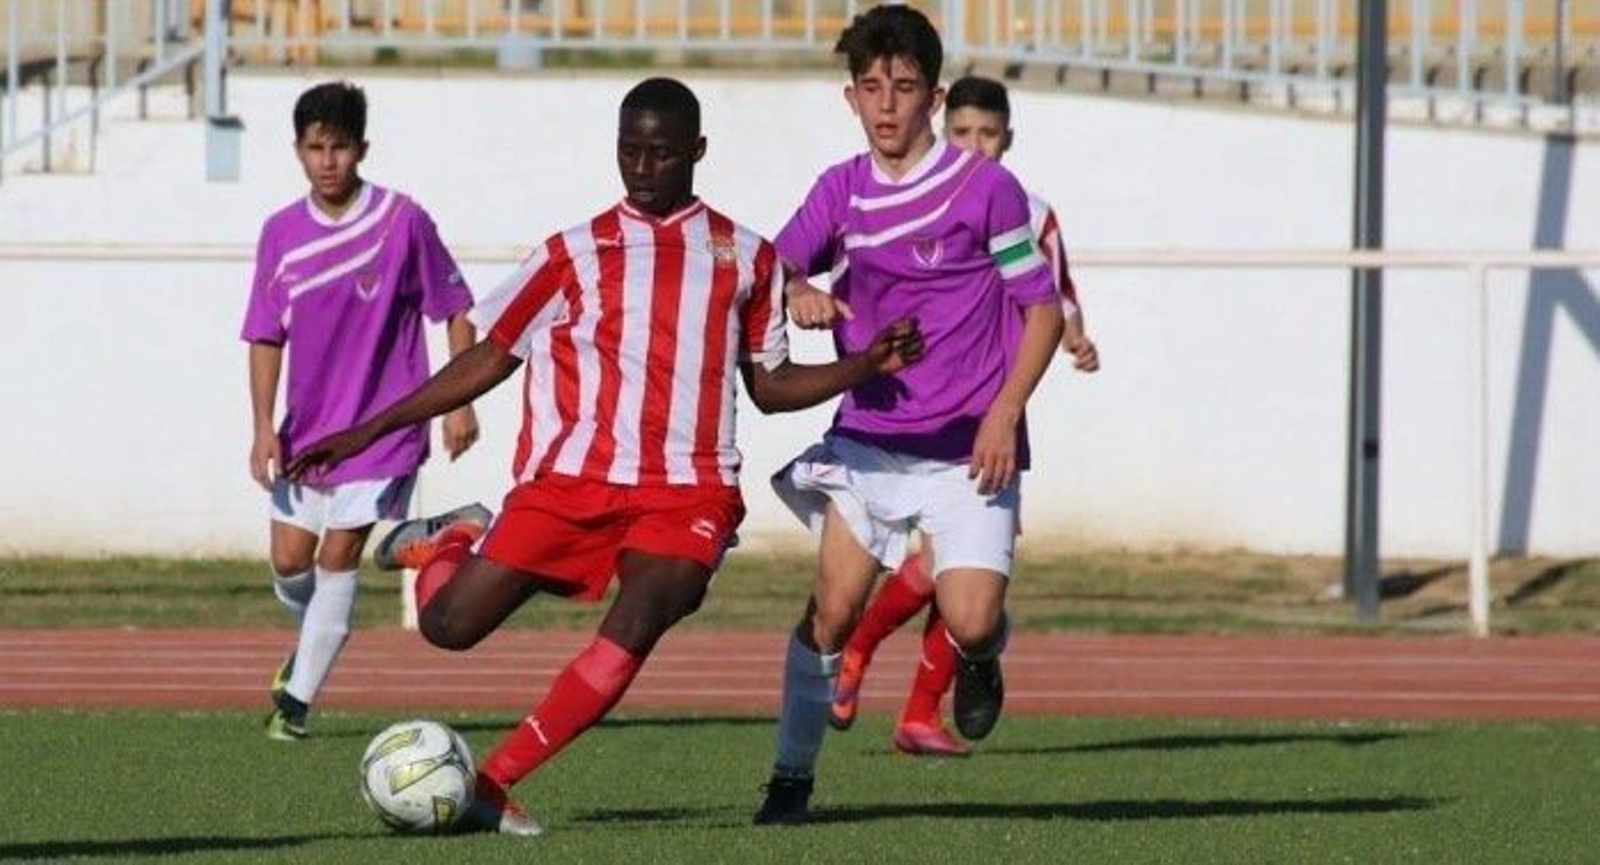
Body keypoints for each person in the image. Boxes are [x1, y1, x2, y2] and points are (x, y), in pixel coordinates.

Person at [284, 77, 925, 837]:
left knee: (653, 605)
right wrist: (369, 428)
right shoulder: (569, 255)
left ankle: (494, 780)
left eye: (661, 152)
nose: (643, 167)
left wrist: (862, 367)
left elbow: (770, 385)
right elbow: (489, 357)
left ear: (697, 152)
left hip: (689, 489)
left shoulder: (747, 259)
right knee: (448, 628)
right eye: (630, 151)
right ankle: (455, 538)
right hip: (571, 481)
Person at [755, 6, 1065, 825]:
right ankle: (790, 777)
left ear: (932, 95)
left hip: (970, 444)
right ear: (849, 97)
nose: (886, 104)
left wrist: (1005, 413)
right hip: (871, 440)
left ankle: (982, 654)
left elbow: (1042, 311)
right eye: (870, 87)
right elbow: (772, 265)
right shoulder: (840, 190)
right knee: (833, 608)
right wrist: (797, 288)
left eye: (903, 87)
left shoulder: (984, 189)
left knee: (970, 617)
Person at [828, 74, 1102, 758]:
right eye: (963, 134)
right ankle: (891, 679)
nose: (975, 146)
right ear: (942, 126)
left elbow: (1054, 295)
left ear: (1007, 140)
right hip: (908, 414)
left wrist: (1073, 337)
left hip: (990, 413)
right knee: (938, 569)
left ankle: (918, 693)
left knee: (959, 586)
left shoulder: (1025, 210)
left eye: (989, 135)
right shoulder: (901, 200)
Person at [242, 80, 481, 742]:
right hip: (308, 434)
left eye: (340, 147)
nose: (327, 161)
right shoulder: (280, 234)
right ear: (297, 150)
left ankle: (294, 707)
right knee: (291, 564)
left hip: (383, 432)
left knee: (338, 555)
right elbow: (265, 334)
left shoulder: (402, 222)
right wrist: (264, 425)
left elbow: (457, 309)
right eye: (315, 147)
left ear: (362, 148)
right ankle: (316, 638)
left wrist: (458, 401)